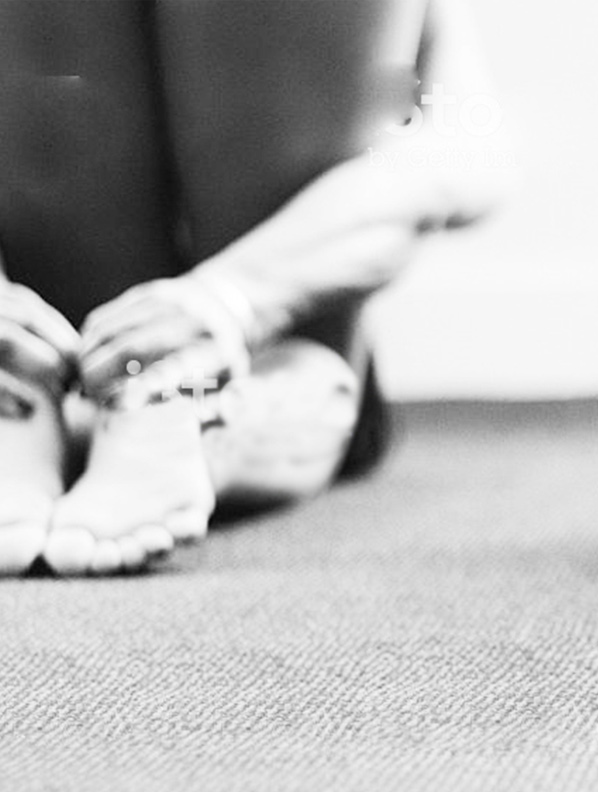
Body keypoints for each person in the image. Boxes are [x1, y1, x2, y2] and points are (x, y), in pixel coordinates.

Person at [0, 0, 514, 577]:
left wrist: (230, 298)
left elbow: (471, 152)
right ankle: (143, 398)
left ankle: (161, 398)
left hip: (263, 332)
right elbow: (471, 143)